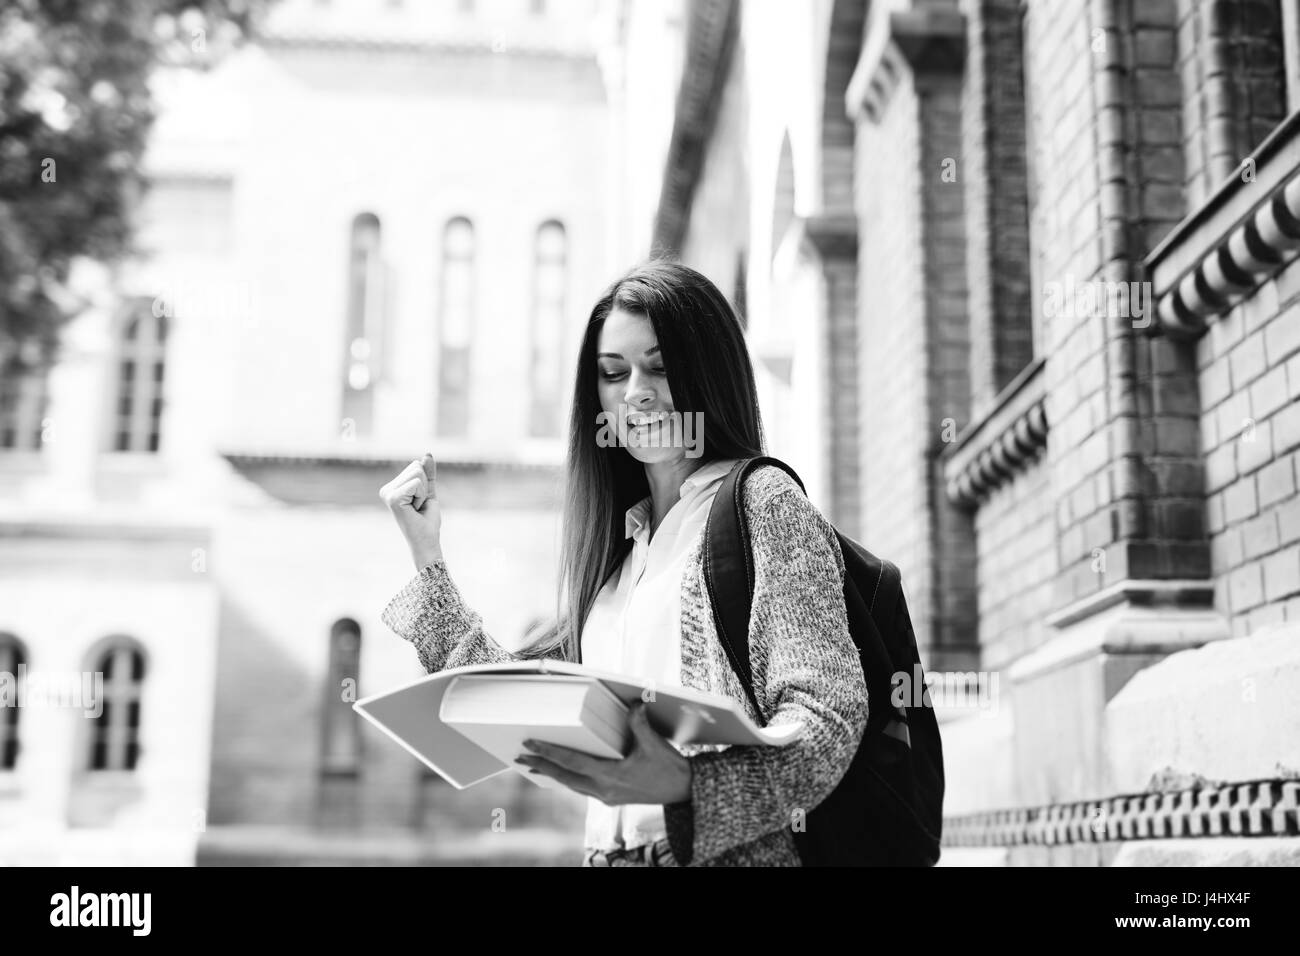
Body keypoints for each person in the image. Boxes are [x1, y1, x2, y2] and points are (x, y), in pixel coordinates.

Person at [378, 259, 867, 867]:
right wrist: (428, 555)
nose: (635, 390)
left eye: (659, 367)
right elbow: (518, 702)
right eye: (614, 372)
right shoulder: (622, 550)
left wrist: (687, 786)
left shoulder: (762, 506)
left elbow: (827, 717)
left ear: (709, 373)